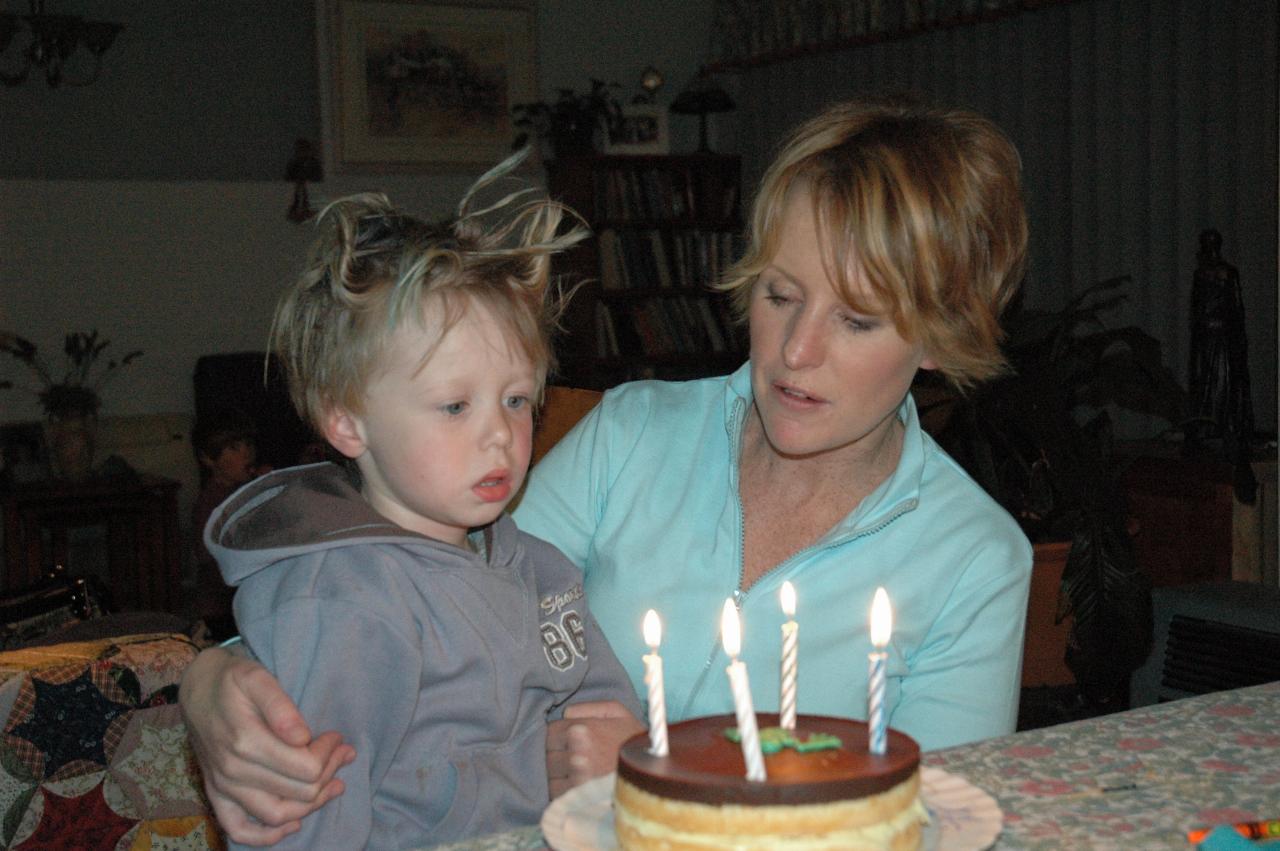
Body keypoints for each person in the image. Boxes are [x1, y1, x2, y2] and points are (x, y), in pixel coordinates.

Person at [179, 97, 1033, 841]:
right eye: (779, 294)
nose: (795, 352)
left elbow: (924, 825)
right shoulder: (630, 436)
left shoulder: (975, 562)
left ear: (938, 334)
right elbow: (423, 594)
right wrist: (217, 674)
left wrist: (662, 777)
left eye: (857, 320)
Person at [194, 152, 640, 848]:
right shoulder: (342, 601)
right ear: (348, 420)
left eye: (518, 399)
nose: (499, 433)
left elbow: (605, 703)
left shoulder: (543, 570)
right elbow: (312, 812)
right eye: (455, 405)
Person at [191, 405, 267, 639]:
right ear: (208, 459)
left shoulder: (243, 491)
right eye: (234, 448)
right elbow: (210, 558)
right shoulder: (214, 503)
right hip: (222, 609)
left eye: (249, 445)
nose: (247, 454)